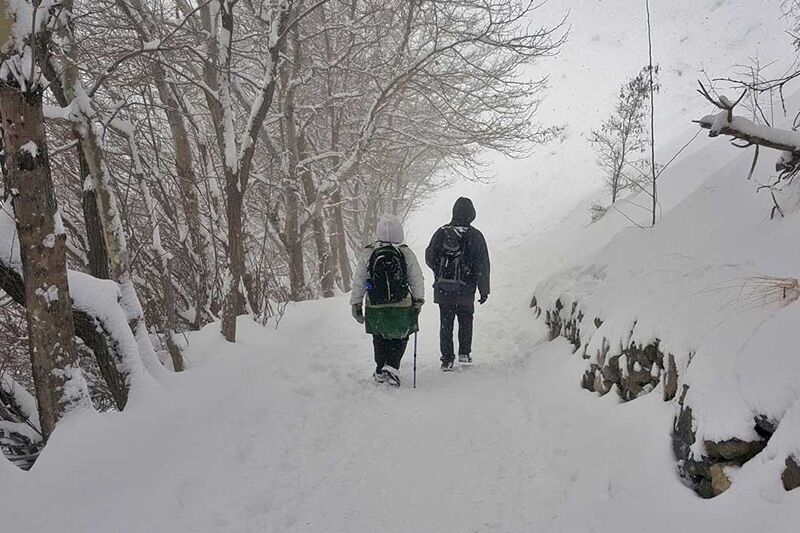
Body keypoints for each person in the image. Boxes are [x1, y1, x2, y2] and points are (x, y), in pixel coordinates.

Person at [351, 215, 425, 386]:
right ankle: (392, 366)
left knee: (379, 336)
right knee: (400, 335)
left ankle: (380, 369)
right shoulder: (405, 252)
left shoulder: (369, 252)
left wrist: (356, 303)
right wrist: (419, 299)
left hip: (375, 303)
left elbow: (359, 280)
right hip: (401, 303)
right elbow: (416, 278)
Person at [425, 197, 490, 371]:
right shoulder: (475, 235)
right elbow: (482, 264)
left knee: (446, 324)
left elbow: (429, 256)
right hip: (466, 290)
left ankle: (446, 359)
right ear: (471, 214)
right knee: (466, 320)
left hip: (443, 290)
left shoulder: (441, 232)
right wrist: (484, 290)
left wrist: (441, 272)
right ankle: (464, 353)